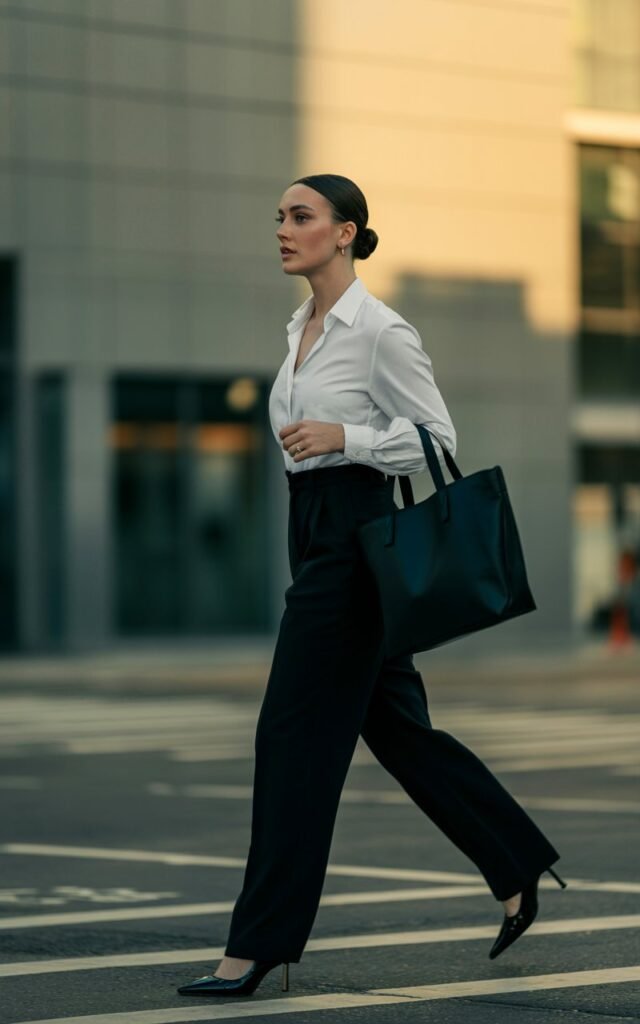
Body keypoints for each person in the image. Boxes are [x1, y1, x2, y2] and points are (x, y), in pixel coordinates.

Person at [177, 173, 566, 998]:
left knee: (291, 739)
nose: (283, 229)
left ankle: (257, 946)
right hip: (311, 527)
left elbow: (436, 436)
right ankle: (516, 861)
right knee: (398, 730)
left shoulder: (381, 330)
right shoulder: (301, 326)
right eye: (279, 217)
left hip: (355, 543)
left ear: (346, 232)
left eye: (301, 217)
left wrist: (345, 435)